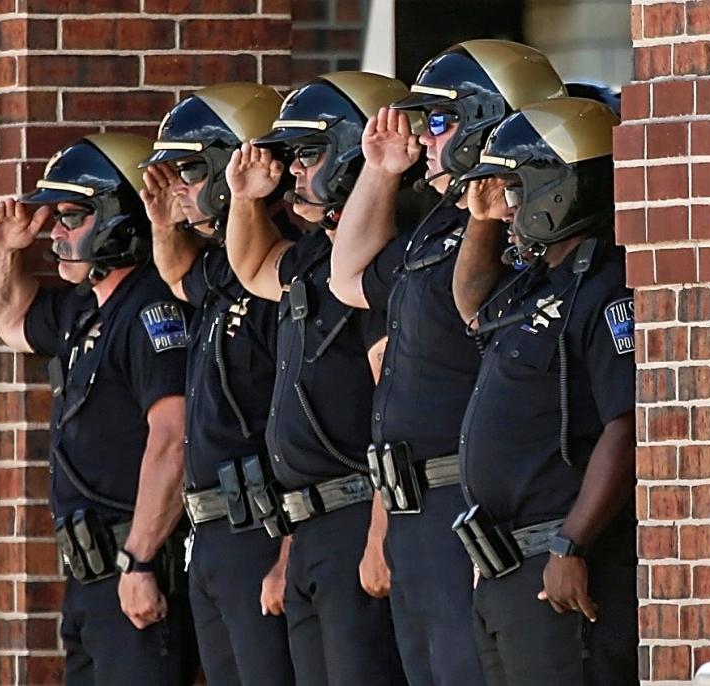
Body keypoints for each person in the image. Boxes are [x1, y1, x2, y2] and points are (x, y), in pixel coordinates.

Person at [328, 40, 565, 686]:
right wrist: (380, 170)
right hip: (411, 508)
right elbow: (347, 276)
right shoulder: (436, 226)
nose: (426, 139)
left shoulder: (520, 229)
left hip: (464, 500)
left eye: (440, 122)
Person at [0, 133, 198, 685]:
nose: (56, 231)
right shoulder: (85, 309)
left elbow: (173, 439)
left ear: (116, 219)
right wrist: (3, 248)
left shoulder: (151, 306)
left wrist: (142, 560)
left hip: (135, 561)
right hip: (91, 576)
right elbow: (9, 319)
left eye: (72, 216)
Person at [224, 71, 410, 686]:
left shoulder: (382, 267)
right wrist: (248, 197)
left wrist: (381, 533)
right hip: (308, 525)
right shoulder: (311, 258)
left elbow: (392, 406)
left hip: (361, 514)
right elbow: (251, 265)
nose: (296, 171)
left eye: (308, 154)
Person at [450, 97, 638, 685]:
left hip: (559, 564)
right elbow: (472, 306)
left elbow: (626, 427)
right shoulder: (535, 282)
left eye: (514, 190)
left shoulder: (606, 288)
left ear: (557, 189)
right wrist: (481, 219)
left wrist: (570, 544)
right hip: (506, 569)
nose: (507, 207)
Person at [137, 83, 296, 686]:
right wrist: (162, 220)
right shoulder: (220, 269)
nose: (179, 187)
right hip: (211, 533)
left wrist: (287, 548)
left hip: (263, 524)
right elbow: (179, 272)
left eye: (193, 170)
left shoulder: (283, 270)